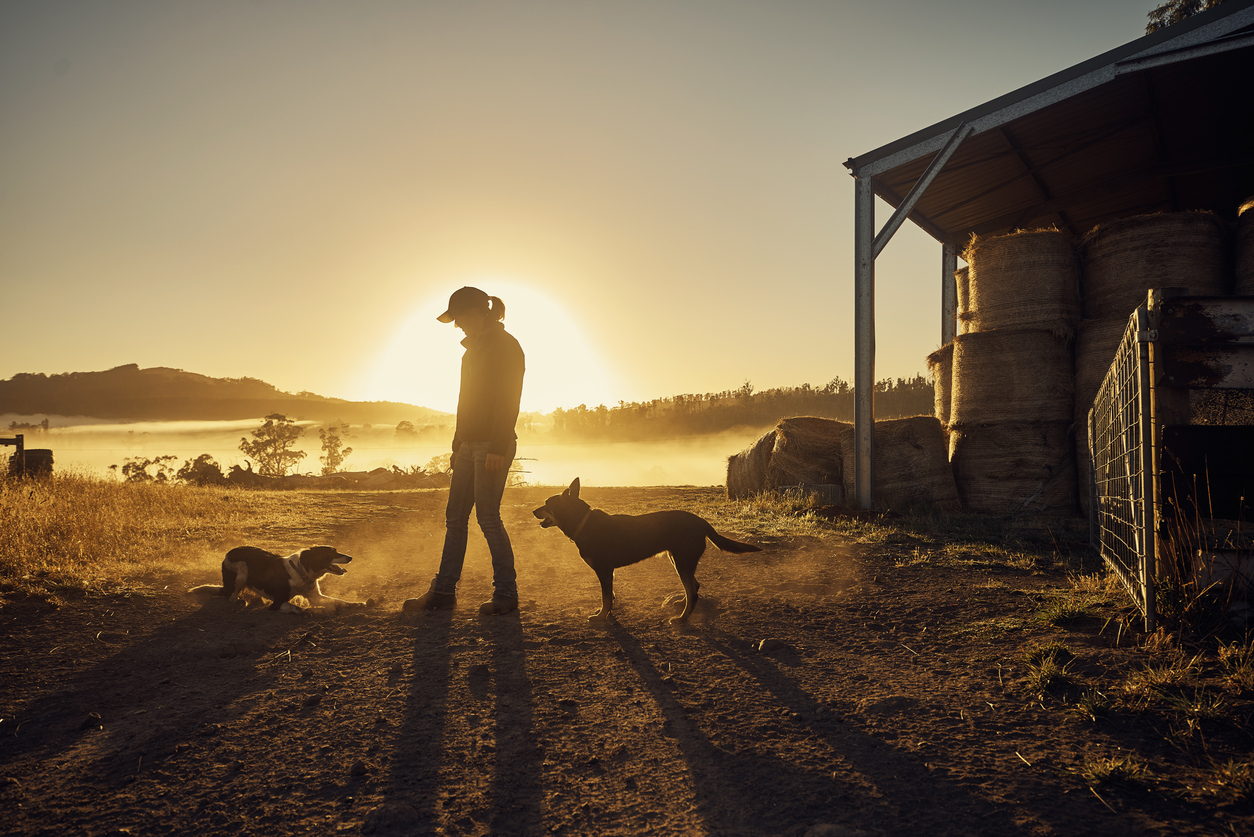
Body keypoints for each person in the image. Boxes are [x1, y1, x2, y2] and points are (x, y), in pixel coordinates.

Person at [404, 286, 526, 616]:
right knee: (455, 518)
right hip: (470, 444)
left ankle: (506, 593)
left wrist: (499, 446)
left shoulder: (506, 347)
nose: (456, 325)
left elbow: (508, 399)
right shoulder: (469, 353)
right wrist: (457, 445)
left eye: (458, 318)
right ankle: (443, 592)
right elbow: (464, 402)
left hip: (492, 444)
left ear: (474, 312)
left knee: (487, 516)